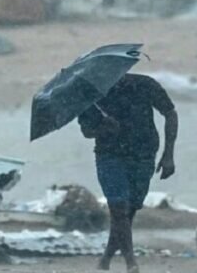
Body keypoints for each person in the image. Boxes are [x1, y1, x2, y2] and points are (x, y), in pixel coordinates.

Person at [78, 73, 178, 273]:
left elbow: (170, 113)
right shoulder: (91, 94)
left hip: (144, 154)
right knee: (119, 209)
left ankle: (106, 258)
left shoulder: (144, 84)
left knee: (128, 212)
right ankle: (131, 262)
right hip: (109, 156)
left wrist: (169, 154)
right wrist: (102, 128)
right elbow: (87, 132)